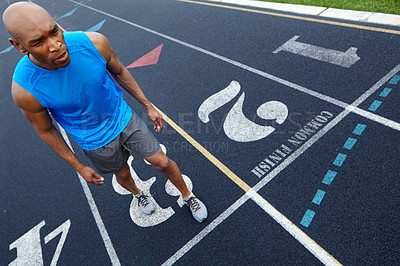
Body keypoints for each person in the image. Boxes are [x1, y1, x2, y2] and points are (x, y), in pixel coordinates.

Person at [3, 2, 207, 223]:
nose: (55, 45)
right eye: (38, 42)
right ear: (19, 46)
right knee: (123, 174)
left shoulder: (93, 43)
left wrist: (148, 106)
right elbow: (45, 130)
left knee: (162, 162)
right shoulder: (25, 90)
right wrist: (79, 167)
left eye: (54, 31)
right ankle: (138, 194)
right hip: (94, 141)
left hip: (123, 119)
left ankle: (187, 195)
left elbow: (119, 71)